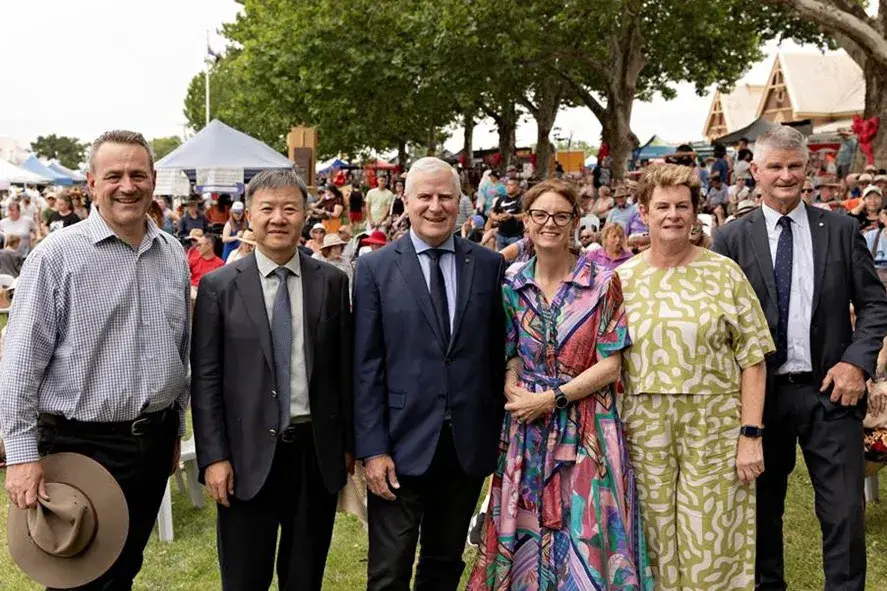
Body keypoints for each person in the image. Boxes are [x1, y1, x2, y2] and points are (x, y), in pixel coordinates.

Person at [0, 130, 190, 589]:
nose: (128, 185)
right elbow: (19, 365)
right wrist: (22, 456)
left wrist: (174, 430)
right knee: (78, 575)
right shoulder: (54, 258)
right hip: (81, 446)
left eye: (138, 174)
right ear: (90, 183)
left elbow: (179, 349)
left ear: (153, 180)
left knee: (124, 569)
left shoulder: (173, 254)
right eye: (114, 175)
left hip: (153, 441)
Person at [712, 126, 887, 591]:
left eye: (794, 165)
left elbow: (874, 304)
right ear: (756, 172)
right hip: (759, 400)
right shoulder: (730, 239)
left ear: (807, 168)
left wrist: (857, 363)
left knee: (845, 510)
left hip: (831, 392)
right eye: (775, 166)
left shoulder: (843, 229)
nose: (786, 175)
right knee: (762, 511)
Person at [467, 179, 652, 590]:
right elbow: (510, 351)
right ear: (527, 220)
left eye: (560, 216)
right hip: (526, 431)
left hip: (585, 428)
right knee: (525, 536)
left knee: (586, 534)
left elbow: (611, 365)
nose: (549, 223)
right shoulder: (512, 283)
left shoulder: (603, 281)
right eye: (540, 215)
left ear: (574, 222)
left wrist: (552, 399)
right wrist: (513, 383)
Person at [191, 168, 353, 591]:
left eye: (289, 208)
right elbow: (205, 379)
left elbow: (343, 370)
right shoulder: (218, 287)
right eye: (267, 208)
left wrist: (349, 445)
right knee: (245, 579)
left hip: (313, 455)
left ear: (305, 216)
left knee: (304, 578)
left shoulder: (332, 283)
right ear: (250, 217)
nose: (278, 218)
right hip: (244, 457)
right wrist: (213, 457)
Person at [353, 157, 506, 590]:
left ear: (461, 203)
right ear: (406, 200)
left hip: (465, 447)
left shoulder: (488, 266)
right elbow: (366, 365)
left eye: (445, 197)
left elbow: (495, 355)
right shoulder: (374, 269)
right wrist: (372, 449)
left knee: (443, 563)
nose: (435, 207)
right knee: (390, 569)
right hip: (399, 445)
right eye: (425, 196)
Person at [619, 163, 773, 590]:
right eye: (662, 206)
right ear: (644, 212)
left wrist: (751, 434)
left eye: (682, 206)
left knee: (712, 536)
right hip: (641, 426)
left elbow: (754, 359)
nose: (673, 215)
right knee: (650, 536)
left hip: (714, 425)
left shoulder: (723, 273)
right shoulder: (620, 280)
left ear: (695, 212)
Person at [490, 177, 524, 249]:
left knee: (514, 259)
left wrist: (511, 216)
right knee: (502, 257)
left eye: (511, 185)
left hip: (515, 236)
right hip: (501, 234)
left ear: (517, 188)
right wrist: (497, 217)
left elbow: (525, 215)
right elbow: (492, 212)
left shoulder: (521, 200)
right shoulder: (500, 199)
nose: (508, 187)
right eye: (507, 185)